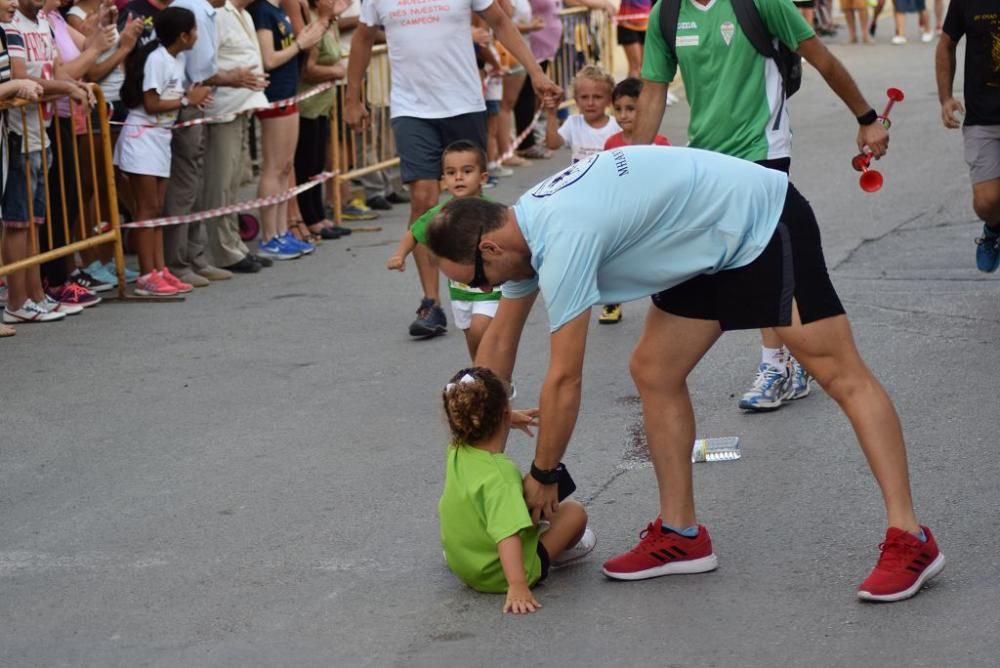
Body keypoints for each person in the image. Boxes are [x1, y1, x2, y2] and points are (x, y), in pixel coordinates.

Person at [425, 145, 946, 602]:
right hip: (703, 243)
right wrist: (471, 436)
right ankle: (682, 534)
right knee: (654, 368)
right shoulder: (523, 236)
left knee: (840, 374)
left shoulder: (561, 237)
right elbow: (499, 345)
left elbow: (565, 379)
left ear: (490, 247)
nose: (483, 289)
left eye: (475, 278)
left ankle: (911, 538)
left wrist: (543, 475)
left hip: (758, 221)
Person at [635, 0, 890, 412]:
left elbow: (822, 59)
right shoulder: (666, 12)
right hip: (706, 161)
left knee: (763, 262)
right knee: (739, 267)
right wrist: (632, 168)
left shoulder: (760, 3)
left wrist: (867, 117)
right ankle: (788, 360)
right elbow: (652, 91)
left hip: (762, 155)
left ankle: (778, 364)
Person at [344, 0, 561, 340]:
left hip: (463, 103)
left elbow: (500, 22)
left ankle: (483, 279)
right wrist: (352, 98)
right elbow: (362, 38)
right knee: (424, 198)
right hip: (411, 109)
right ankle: (431, 302)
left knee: (470, 202)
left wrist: (536, 71)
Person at [438, 366, 595, 614]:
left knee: (500, 508)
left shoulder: (457, 450)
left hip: (464, 562)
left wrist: (508, 417)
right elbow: (507, 535)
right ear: (505, 412)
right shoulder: (501, 475)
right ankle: (554, 555)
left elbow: (477, 418)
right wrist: (517, 585)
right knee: (575, 514)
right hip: (496, 574)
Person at [1, 0, 91, 323]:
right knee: (18, 222)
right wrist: (67, 87)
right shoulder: (12, 26)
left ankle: (36, 296)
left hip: (44, 130)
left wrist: (72, 83)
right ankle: (16, 300)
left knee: (35, 222)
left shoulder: (42, 22)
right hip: (20, 133)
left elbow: (57, 68)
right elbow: (23, 79)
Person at [113, 6, 212, 295]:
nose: (197, 35)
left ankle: (160, 269)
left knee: (157, 209)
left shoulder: (177, 59)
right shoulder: (157, 60)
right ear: (182, 35)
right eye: (194, 30)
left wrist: (192, 97)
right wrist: (186, 100)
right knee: (145, 211)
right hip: (142, 139)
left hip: (161, 139)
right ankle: (146, 275)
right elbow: (152, 103)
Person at [388, 141, 500, 359]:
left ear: (483, 178)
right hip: (460, 291)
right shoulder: (440, 214)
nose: (458, 177)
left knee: (481, 329)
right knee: (471, 336)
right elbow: (414, 232)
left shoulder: (493, 212)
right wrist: (399, 255)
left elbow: (513, 236)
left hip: (490, 288)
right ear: (443, 181)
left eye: (467, 171)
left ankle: (494, 375)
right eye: (451, 172)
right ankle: (483, 376)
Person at [199, 0, 272, 273]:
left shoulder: (244, 15)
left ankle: (234, 244)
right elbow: (206, 66)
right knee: (219, 182)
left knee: (231, 183)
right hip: (223, 109)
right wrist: (234, 78)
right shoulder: (217, 15)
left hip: (243, 106)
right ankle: (224, 251)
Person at [249, 0, 324, 260]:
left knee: (285, 166)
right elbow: (268, 59)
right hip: (274, 97)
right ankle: (269, 235)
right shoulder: (262, 11)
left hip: (289, 95)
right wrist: (299, 44)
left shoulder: (279, 10)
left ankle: (282, 231)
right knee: (273, 166)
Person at [936, 0, 1000, 273]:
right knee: (987, 201)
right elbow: (946, 45)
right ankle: (993, 229)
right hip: (982, 116)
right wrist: (946, 98)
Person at [291, 0, 348, 241]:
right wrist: (336, 72)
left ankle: (319, 215)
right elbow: (308, 68)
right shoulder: (314, 18)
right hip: (307, 102)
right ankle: (310, 218)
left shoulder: (327, 17)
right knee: (306, 163)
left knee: (317, 164)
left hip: (323, 102)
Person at [544, 64, 619, 164]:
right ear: (576, 100)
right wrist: (551, 114)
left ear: (610, 100)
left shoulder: (617, 126)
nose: (590, 103)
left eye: (597, 97)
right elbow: (553, 144)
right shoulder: (573, 123)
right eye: (584, 97)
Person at [603, 78, 669, 150]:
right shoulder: (610, 144)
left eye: (630, 109)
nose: (623, 116)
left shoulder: (660, 144)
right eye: (618, 109)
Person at [615, 0, 652, 79]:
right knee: (635, 67)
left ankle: (645, 91)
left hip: (647, 23)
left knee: (645, 67)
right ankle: (631, 91)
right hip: (627, 24)